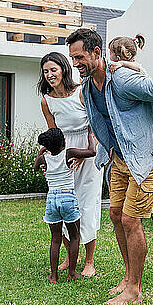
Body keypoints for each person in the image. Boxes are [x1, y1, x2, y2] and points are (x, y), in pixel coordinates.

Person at [66, 28, 153, 305]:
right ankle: (129, 277)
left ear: (97, 53)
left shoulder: (124, 80)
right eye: (73, 58)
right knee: (117, 215)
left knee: (131, 220)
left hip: (145, 159)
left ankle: (135, 290)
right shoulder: (87, 87)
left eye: (79, 57)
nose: (75, 64)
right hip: (118, 158)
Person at [37, 52, 103, 277]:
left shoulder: (82, 92)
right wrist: (46, 158)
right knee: (64, 204)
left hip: (86, 151)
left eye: (53, 70)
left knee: (86, 205)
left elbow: (94, 126)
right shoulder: (47, 100)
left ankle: (89, 261)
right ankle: (68, 257)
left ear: (63, 69)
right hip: (63, 157)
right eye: (46, 71)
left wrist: (85, 154)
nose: (49, 75)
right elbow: (52, 133)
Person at [33, 127, 96, 283]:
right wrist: (90, 135)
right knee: (74, 237)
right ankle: (72, 273)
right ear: (64, 142)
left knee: (55, 239)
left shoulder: (45, 159)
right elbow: (92, 152)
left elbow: (35, 166)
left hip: (51, 199)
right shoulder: (68, 153)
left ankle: (53, 276)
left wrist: (42, 152)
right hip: (67, 197)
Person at [107, 35, 153, 158]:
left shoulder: (133, 66)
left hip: (150, 99)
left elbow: (138, 68)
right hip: (137, 100)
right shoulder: (120, 67)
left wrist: (121, 64)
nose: (109, 56)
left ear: (117, 57)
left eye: (110, 52)